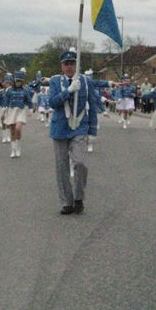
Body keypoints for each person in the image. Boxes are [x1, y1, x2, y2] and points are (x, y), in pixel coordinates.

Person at [49, 49, 98, 215]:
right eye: (66, 64)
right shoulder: (56, 81)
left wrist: (92, 131)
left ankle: (79, 198)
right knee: (61, 167)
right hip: (60, 128)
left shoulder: (85, 81)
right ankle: (67, 202)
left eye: (72, 63)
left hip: (79, 126)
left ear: (77, 65)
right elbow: (52, 102)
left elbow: (93, 105)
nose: (69, 67)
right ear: (62, 66)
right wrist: (68, 91)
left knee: (80, 163)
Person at [3, 71, 33, 158]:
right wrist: (5, 109)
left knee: (18, 128)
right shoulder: (9, 90)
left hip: (21, 111)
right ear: (14, 81)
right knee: (12, 132)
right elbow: (6, 101)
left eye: (20, 81)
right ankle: (13, 149)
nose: (18, 82)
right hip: (12, 111)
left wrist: (30, 109)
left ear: (22, 81)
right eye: (17, 81)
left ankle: (18, 147)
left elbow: (29, 101)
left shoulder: (25, 90)